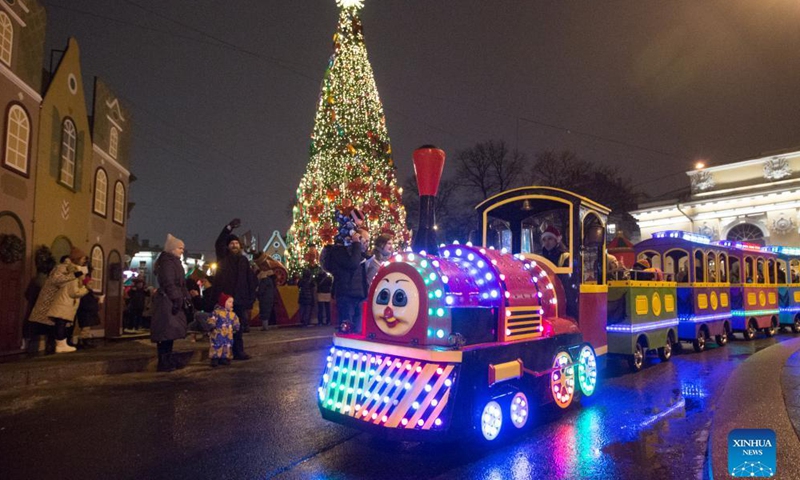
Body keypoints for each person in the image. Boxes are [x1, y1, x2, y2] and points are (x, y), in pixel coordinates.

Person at [29, 248, 88, 354]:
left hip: (57, 301)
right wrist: (75, 275)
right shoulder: (62, 268)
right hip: (51, 300)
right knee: (54, 324)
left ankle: (56, 346)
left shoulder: (72, 268)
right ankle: (53, 347)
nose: (84, 261)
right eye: (83, 258)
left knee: (56, 325)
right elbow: (56, 280)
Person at [214, 219, 258, 360]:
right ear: (228, 247)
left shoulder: (243, 261)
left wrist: (250, 297)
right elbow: (219, 243)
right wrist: (228, 228)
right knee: (224, 328)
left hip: (239, 299)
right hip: (226, 299)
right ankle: (223, 353)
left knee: (238, 328)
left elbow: (250, 280)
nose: (234, 245)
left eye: (236, 243)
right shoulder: (223, 258)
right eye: (232, 243)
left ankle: (239, 351)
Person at [151, 234, 191, 372]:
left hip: (171, 300)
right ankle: (164, 361)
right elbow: (169, 283)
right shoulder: (168, 263)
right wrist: (177, 298)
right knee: (166, 331)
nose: (182, 251)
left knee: (170, 332)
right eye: (180, 248)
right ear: (172, 249)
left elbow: (179, 283)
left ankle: (167, 359)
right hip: (167, 301)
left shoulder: (173, 262)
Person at [325, 227, 370, 334]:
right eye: (365, 240)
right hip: (346, 295)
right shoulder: (340, 252)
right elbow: (353, 264)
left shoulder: (359, 253)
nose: (367, 243)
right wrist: (356, 244)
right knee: (347, 328)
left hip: (360, 296)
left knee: (359, 330)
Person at [47, 254, 91, 354]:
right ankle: (60, 345)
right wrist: (86, 288)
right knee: (61, 324)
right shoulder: (71, 275)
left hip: (64, 302)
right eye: (82, 259)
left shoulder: (71, 274)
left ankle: (62, 343)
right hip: (65, 303)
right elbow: (74, 292)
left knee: (62, 324)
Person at [207, 293, 240, 367]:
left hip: (228, 334)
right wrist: (212, 325)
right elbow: (211, 319)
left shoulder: (232, 314)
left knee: (227, 346)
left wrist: (236, 326)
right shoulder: (217, 312)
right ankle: (215, 358)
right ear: (223, 303)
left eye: (232, 302)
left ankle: (224, 358)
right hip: (218, 333)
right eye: (229, 302)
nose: (231, 304)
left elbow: (236, 320)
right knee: (216, 345)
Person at [253, 253, 276, 330]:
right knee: (266, 311)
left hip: (265, 298)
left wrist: (258, 294)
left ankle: (265, 327)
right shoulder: (270, 278)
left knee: (264, 311)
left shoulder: (264, 279)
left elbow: (262, 289)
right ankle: (265, 326)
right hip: (269, 297)